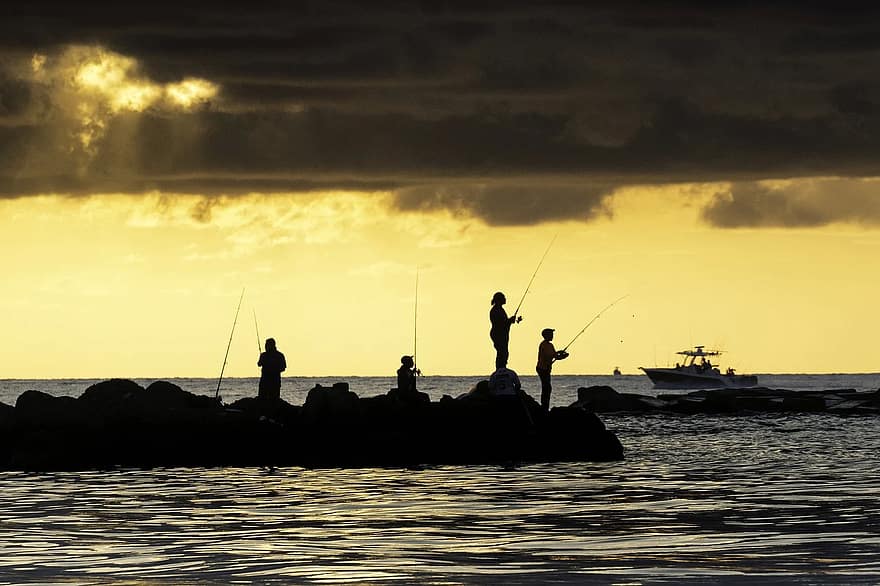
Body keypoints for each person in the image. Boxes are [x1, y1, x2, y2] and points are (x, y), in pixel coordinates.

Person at [535, 328, 569, 412]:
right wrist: (561, 357)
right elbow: (550, 356)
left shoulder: (550, 345)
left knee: (547, 387)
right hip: (542, 369)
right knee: (546, 387)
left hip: (546, 369)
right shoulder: (544, 345)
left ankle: (545, 406)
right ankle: (544, 407)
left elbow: (553, 354)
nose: (552, 336)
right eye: (551, 334)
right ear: (546, 335)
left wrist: (559, 353)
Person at [489, 291, 521, 369]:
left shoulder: (499, 309)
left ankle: (502, 368)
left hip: (501, 334)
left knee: (503, 353)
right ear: (499, 299)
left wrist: (513, 320)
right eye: (503, 297)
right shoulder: (496, 310)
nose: (505, 299)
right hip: (498, 335)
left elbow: (504, 323)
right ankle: (500, 369)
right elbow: (500, 323)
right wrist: (510, 320)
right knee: (502, 353)